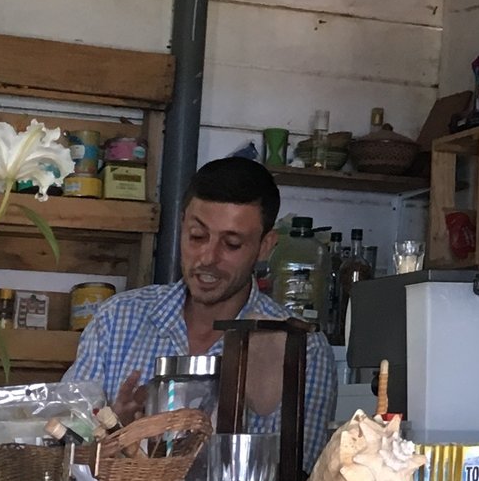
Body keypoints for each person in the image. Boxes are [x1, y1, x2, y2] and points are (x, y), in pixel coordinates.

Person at [65, 156, 336, 463]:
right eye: (197, 236)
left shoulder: (301, 348)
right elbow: (65, 445)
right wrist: (117, 435)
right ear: (182, 225)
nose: (208, 257)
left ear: (265, 246)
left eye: (231, 244)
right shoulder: (116, 320)